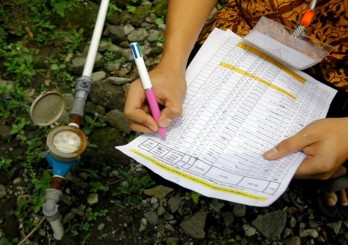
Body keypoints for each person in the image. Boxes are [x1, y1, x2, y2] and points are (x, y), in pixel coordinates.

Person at [124, 0, 348, 210]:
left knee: (314, 156)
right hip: (245, 31)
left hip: (337, 72)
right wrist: (171, 64)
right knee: (174, 151)